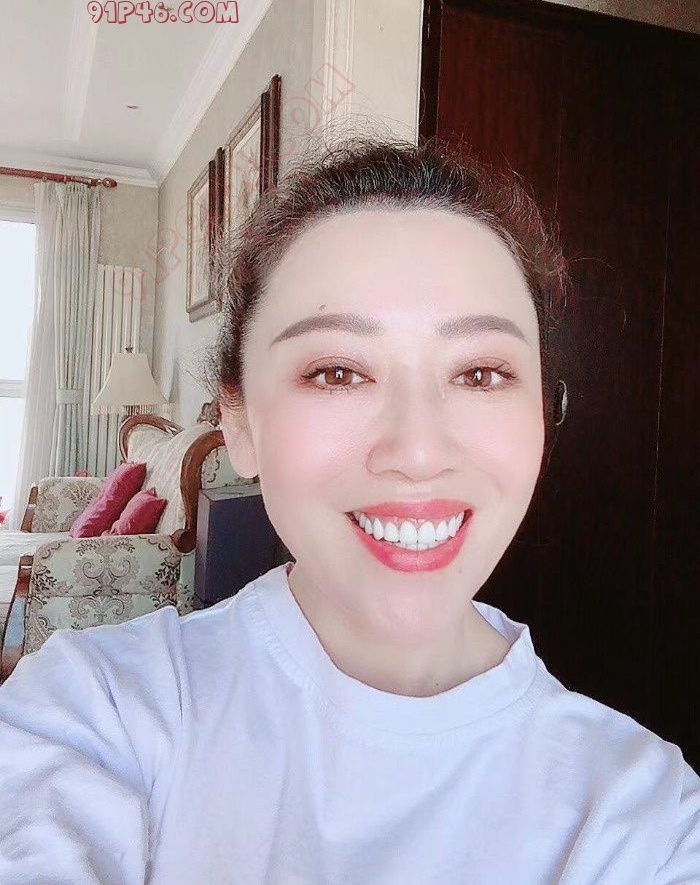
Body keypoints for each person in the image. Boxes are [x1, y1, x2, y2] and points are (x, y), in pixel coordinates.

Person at [0, 136, 698, 884]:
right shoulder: (91, 709)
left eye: (481, 373)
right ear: (239, 423)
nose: (418, 451)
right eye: (337, 372)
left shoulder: (644, 815)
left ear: (541, 416)